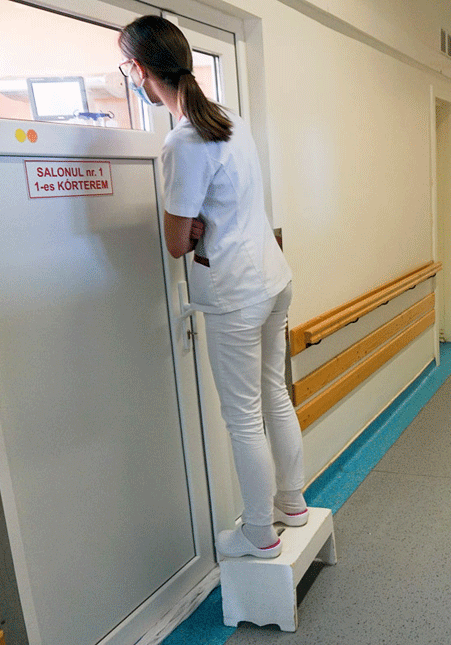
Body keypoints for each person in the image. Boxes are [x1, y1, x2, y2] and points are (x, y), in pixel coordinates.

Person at [119, 15, 307, 559]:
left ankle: (260, 534)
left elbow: (176, 242)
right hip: (272, 277)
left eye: (126, 69)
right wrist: (197, 221)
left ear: (140, 70)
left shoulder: (183, 141)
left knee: (243, 416)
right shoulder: (229, 119)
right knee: (275, 393)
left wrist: (191, 224)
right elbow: (210, 212)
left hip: (236, 292)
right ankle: (292, 503)